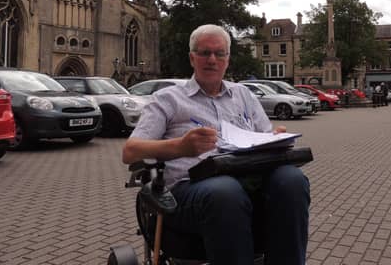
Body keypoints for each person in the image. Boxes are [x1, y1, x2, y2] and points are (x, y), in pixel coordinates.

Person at [122, 24, 310, 265]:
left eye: (219, 53)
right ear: (192, 58)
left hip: (248, 182)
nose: (212, 59)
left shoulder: (244, 95)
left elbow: (265, 137)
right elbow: (130, 151)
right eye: (204, 53)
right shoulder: (167, 99)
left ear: (227, 59)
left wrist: (275, 139)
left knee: (292, 180)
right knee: (225, 191)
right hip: (190, 191)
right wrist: (180, 147)